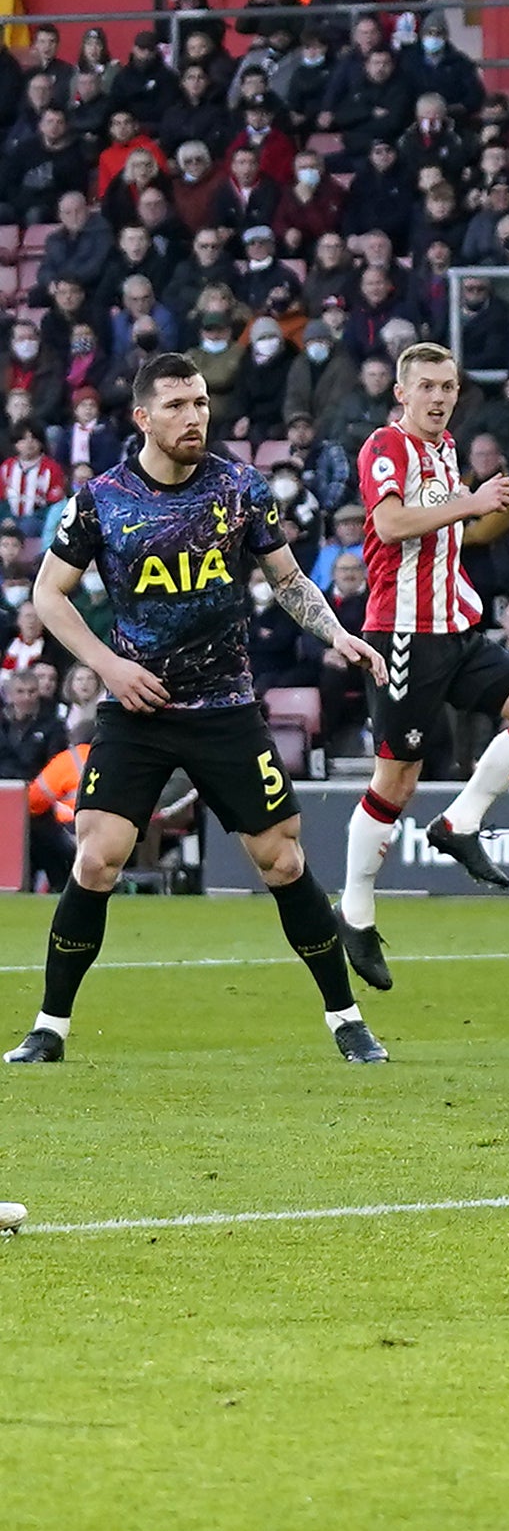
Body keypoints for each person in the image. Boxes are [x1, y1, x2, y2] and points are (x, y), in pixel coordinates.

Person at [8, 354, 388, 1067]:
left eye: (202, 402)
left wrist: (338, 633)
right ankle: (49, 1027)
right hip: (137, 705)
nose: (195, 416)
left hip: (225, 706)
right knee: (96, 858)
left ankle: (348, 1019)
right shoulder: (102, 498)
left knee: (281, 859)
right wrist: (111, 667)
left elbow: (288, 579)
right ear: (143, 417)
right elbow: (48, 595)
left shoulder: (240, 487)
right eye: (178, 405)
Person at [332, 342, 509, 989]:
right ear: (402, 394)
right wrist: (472, 502)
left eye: (450, 387)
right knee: (396, 779)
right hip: (402, 632)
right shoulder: (387, 445)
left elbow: (449, 531)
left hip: (456, 624)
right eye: (429, 387)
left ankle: (460, 821)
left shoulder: (443, 451)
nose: (441, 397)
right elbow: (388, 525)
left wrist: (488, 512)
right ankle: (354, 909)